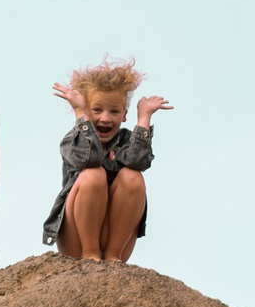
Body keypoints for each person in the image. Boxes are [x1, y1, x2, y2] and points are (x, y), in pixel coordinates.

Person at [41, 59, 170, 263]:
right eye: (97, 110)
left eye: (114, 111)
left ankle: (112, 257)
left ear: (124, 115)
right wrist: (81, 115)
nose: (106, 118)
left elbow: (138, 161)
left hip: (114, 241)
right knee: (93, 174)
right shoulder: (72, 141)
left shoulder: (127, 141)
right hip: (77, 241)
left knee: (132, 177)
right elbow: (90, 159)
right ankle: (90, 253)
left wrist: (144, 118)